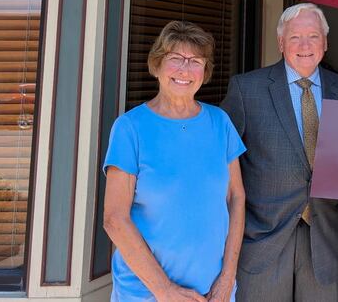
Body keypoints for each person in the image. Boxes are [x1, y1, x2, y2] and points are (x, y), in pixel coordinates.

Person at [221, 3, 338, 301]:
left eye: (313, 36)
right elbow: (222, 167)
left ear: (325, 43)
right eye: (295, 37)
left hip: (326, 241)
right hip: (261, 240)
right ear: (280, 42)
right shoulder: (246, 89)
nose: (305, 45)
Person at [103, 21, 246, 302]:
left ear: (205, 71)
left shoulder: (220, 123)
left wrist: (228, 277)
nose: (185, 69)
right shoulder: (130, 127)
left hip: (214, 292)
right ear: (156, 65)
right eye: (175, 59)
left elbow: (236, 198)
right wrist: (165, 291)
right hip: (146, 293)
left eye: (195, 61)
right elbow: (115, 219)